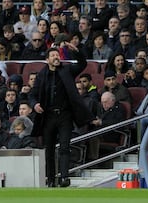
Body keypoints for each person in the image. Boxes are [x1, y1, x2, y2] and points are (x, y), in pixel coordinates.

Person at [30, 45, 98, 188]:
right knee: (49, 149)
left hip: (65, 115)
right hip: (47, 116)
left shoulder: (67, 70)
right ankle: (50, 179)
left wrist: (75, 50)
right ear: (47, 59)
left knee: (65, 147)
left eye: (57, 55)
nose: (56, 57)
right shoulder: (42, 75)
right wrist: (35, 104)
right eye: (53, 55)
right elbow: (33, 95)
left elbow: (82, 64)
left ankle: (64, 177)